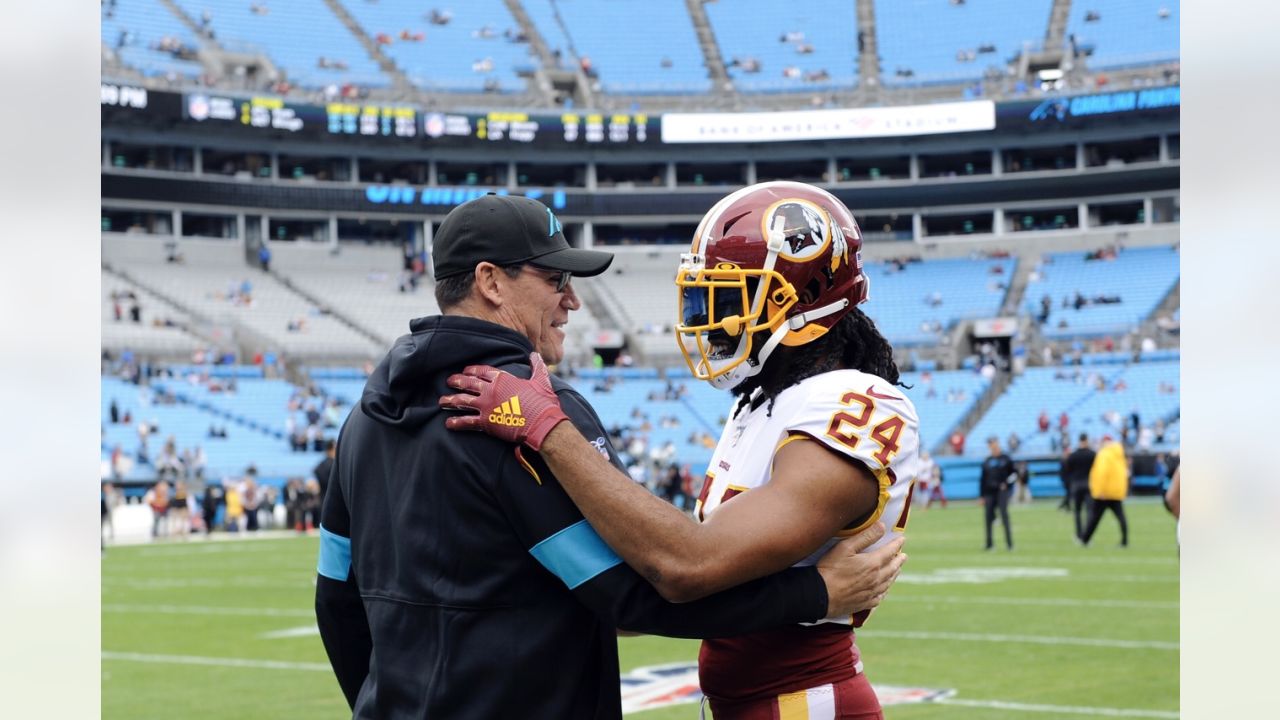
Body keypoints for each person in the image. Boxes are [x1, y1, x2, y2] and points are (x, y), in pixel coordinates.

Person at [315, 192, 905, 719]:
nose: (573, 300)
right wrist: (816, 594)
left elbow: (334, 597)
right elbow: (637, 590)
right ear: (492, 282)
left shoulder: (364, 417)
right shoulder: (529, 407)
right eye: (553, 280)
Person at [1080, 435, 1130, 547]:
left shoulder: (1104, 454)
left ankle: (1085, 539)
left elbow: (1102, 473)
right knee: (1121, 517)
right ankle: (1125, 541)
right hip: (1116, 492)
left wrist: (1100, 490)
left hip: (1104, 493)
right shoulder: (1119, 454)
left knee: (1094, 518)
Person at [979, 436, 1015, 550]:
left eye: (994, 444)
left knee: (1004, 515)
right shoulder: (987, 461)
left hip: (1001, 491)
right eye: (990, 445)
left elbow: (1014, 474)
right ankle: (989, 544)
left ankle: (1009, 544)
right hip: (989, 492)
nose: (992, 446)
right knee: (988, 517)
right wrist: (981, 495)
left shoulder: (1006, 459)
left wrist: (1007, 484)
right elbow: (983, 479)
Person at [1062, 433, 1097, 542]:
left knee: (1077, 512)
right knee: (1089, 511)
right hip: (1089, 485)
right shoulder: (1093, 454)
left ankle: (1079, 535)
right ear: (1087, 440)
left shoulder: (1073, 455)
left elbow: (1067, 470)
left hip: (1076, 485)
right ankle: (1087, 535)